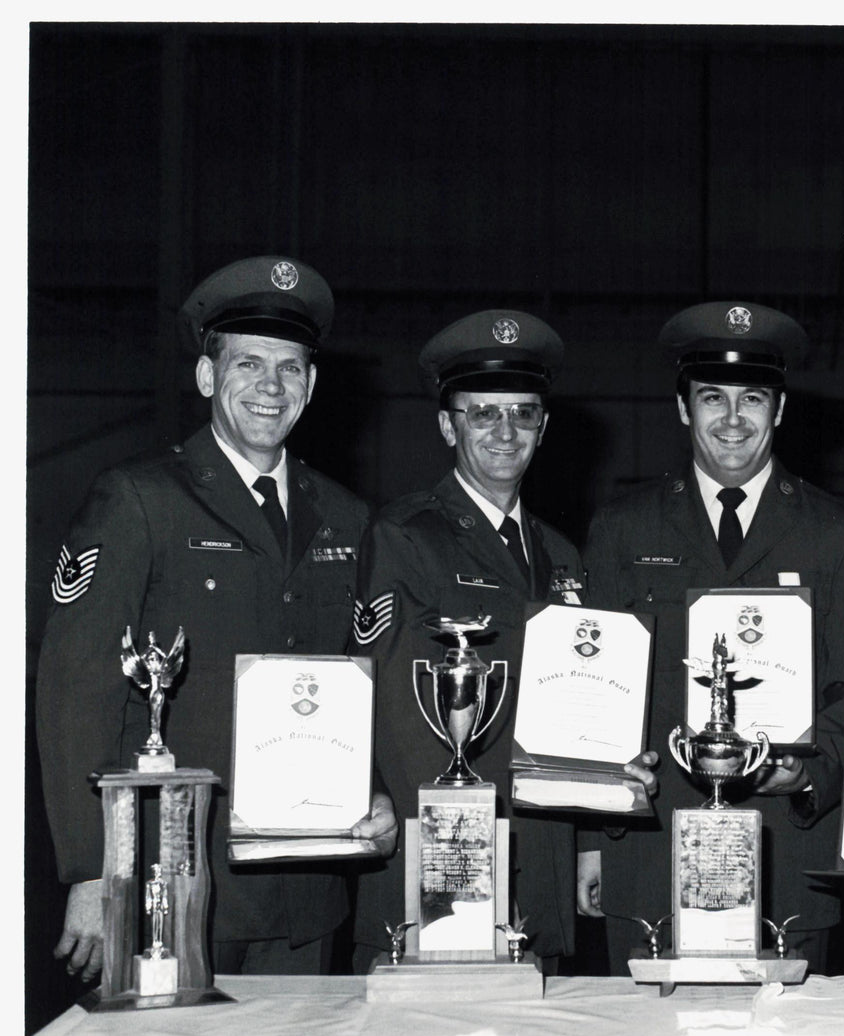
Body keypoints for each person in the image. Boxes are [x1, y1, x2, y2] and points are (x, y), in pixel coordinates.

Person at [39, 255, 391, 979]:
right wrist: (90, 870)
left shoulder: (348, 517)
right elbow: (75, 691)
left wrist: (374, 790)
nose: (270, 386)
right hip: (174, 882)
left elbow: (361, 679)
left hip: (308, 883)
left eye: (290, 368)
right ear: (206, 377)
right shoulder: (140, 499)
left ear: (312, 385)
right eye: (247, 364)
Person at [580, 301, 844, 973]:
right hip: (648, 851)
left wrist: (807, 774)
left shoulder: (835, 532)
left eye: (751, 399)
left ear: (778, 411)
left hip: (786, 853)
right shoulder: (622, 527)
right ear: (683, 408)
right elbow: (591, 697)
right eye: (711, 397)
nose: (730, 419)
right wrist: (588, 840)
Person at [346, 310, 656, 973]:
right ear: (446, 425)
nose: (504, 431)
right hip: (443, 858)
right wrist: (449, 865)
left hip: (538, 864)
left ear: (542, 428)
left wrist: (589, 838)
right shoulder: (406, 535)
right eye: (483, 413)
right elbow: (395, 713)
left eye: (522, 414)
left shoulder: (563, 553)